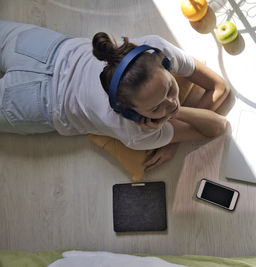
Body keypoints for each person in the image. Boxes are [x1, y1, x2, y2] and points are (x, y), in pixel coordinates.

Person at [0, 20, 230, 171]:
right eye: (156, 108)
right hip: (36, 100)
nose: (170, 105)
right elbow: (216, 125)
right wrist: (175, 130)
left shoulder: (157, 48)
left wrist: (173, 132)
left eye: (170, 89)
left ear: (164, 63)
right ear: (128, 111)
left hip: (42, 50)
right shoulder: (136, 131)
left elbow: (221, 88)